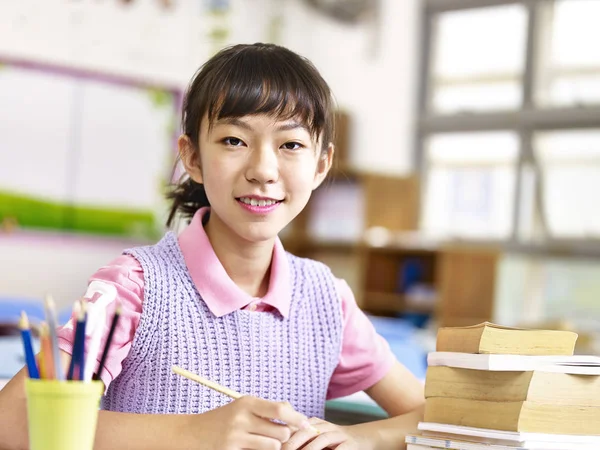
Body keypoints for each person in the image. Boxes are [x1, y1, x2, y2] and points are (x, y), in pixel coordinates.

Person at [0, 42, 424, 450]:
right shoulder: (133, 288)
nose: (263, 169)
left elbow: (441, 416)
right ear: (193, 157)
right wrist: (194, 435)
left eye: (290, 144)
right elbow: (12, 421)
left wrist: (362, 437)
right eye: (234, 141)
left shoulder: (326, 300)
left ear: (321, 165)